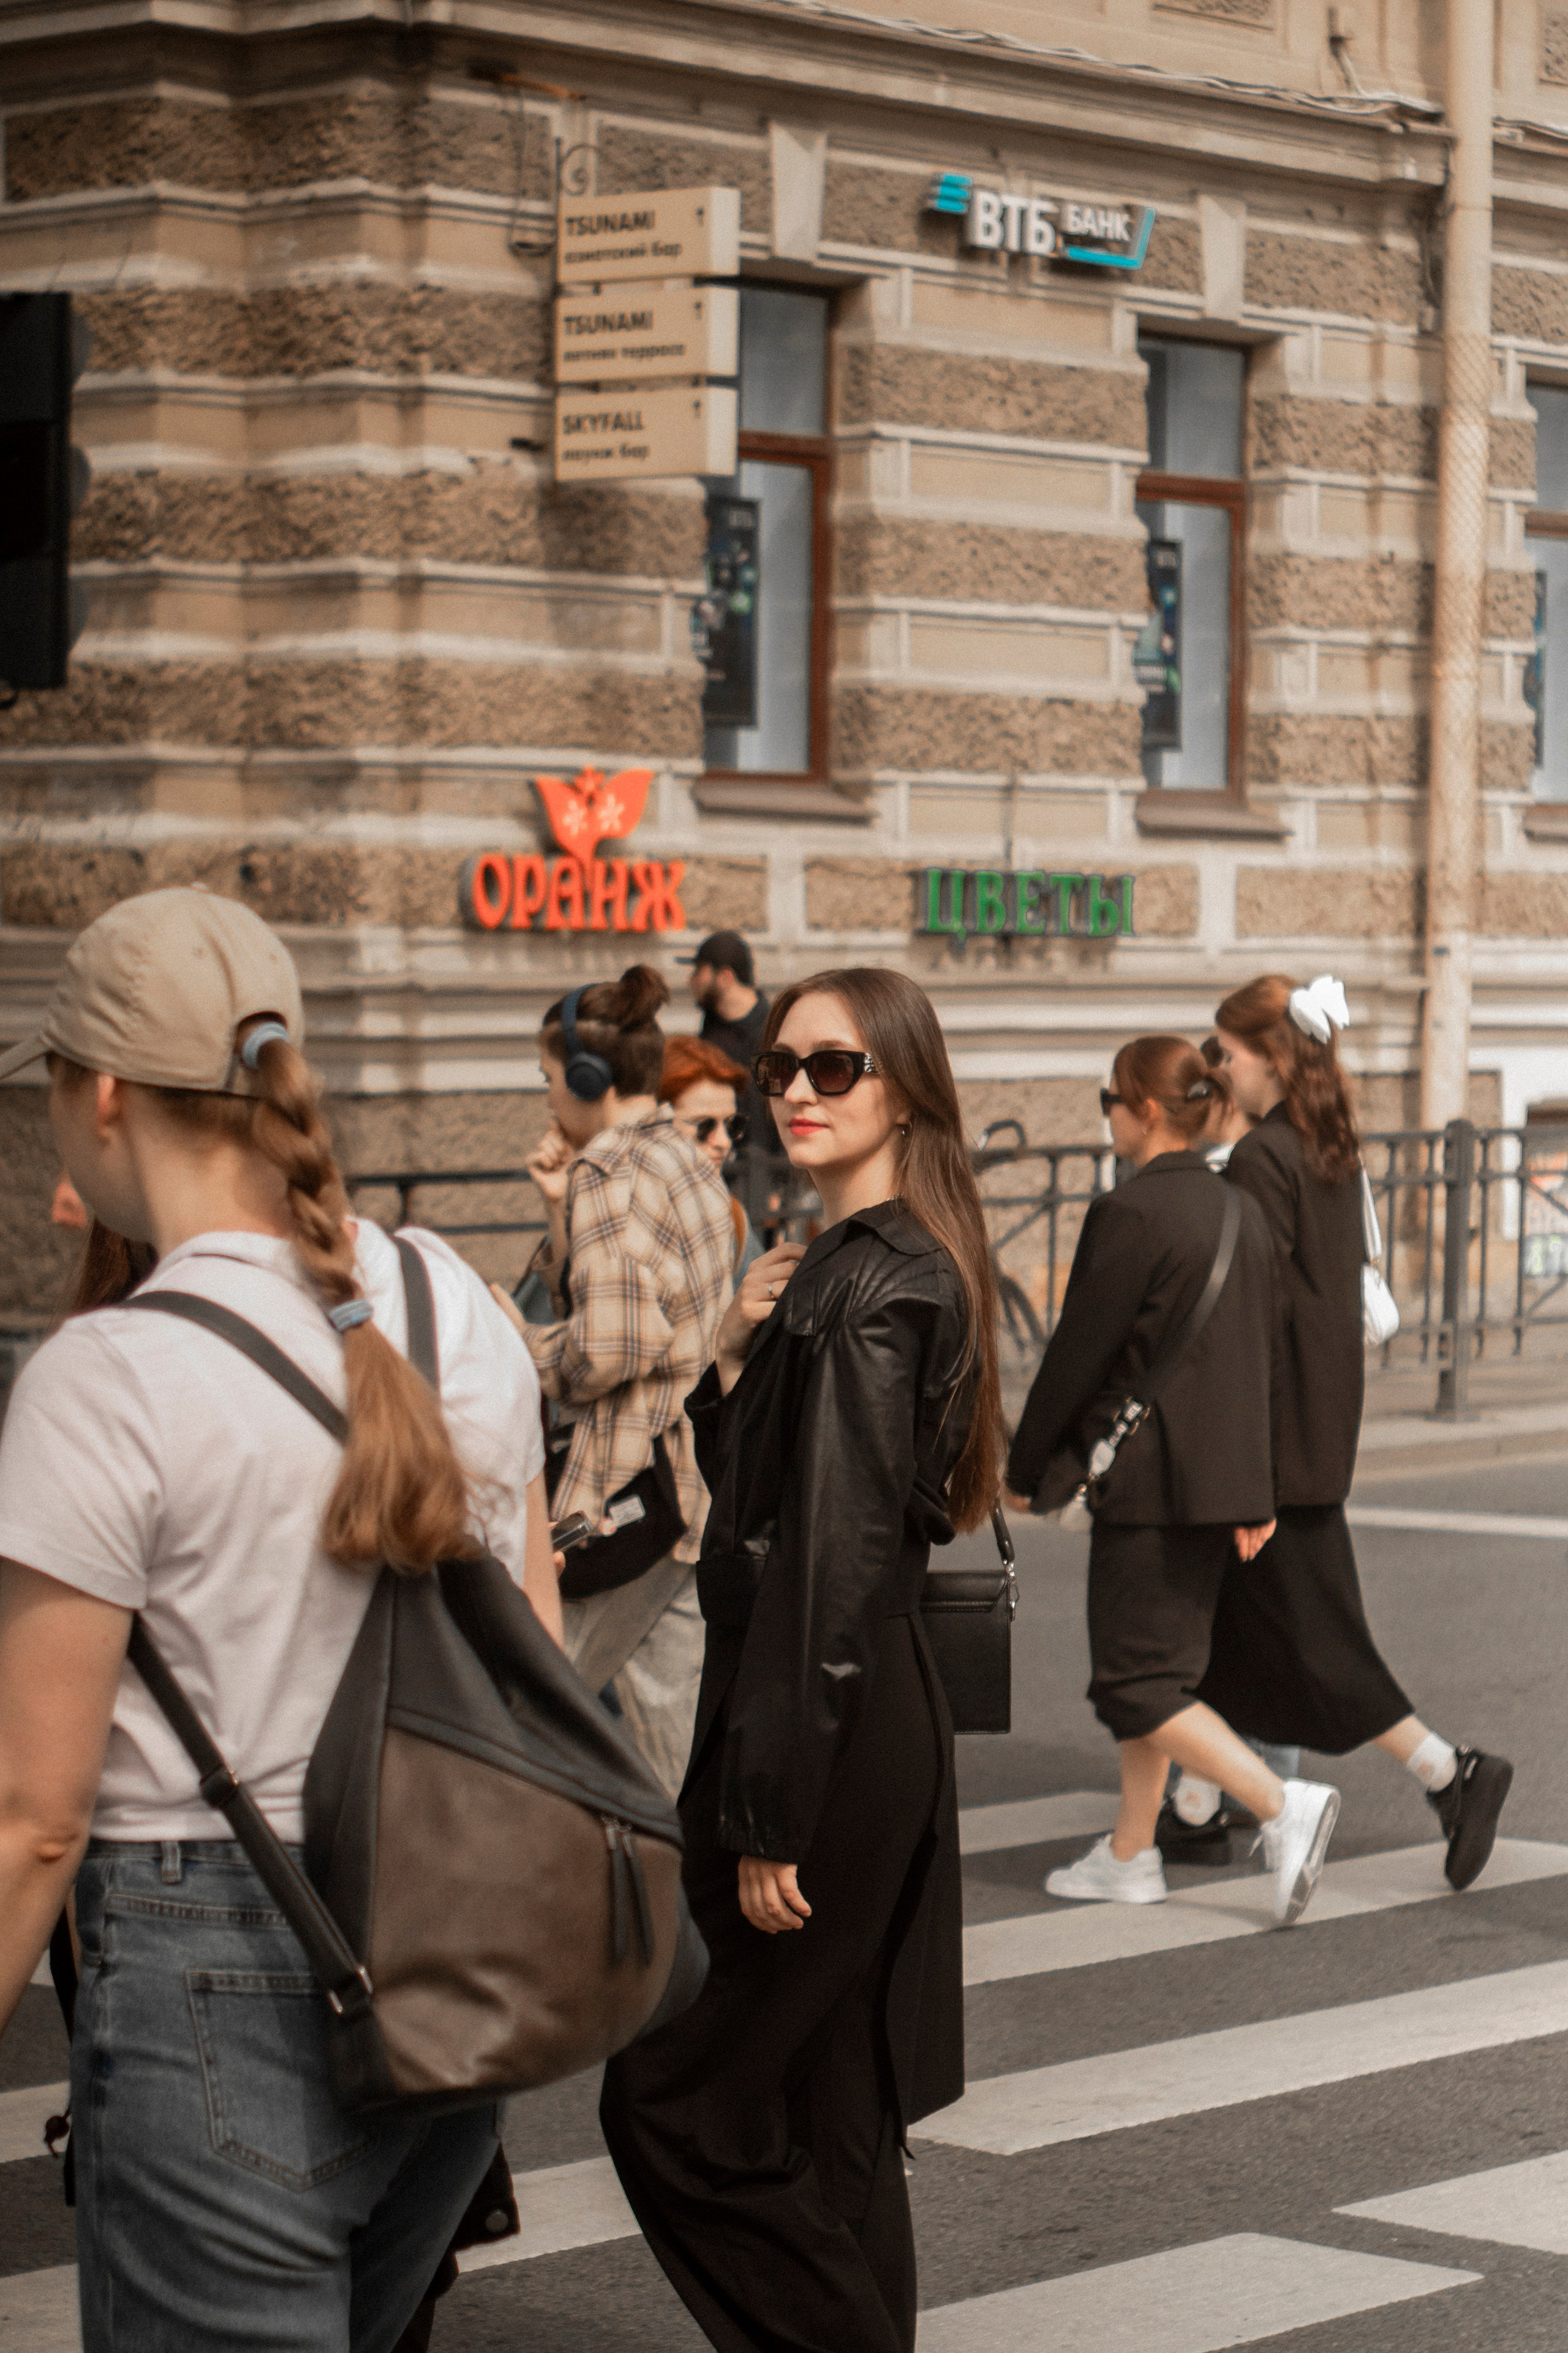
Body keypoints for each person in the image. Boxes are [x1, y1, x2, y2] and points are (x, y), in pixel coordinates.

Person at [0, 885, 559, 2353]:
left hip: (211, 1954)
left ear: (103, 1092)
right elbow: (537, 1651)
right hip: (456, 1949)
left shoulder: (104, 1373)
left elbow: (35, 1817)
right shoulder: (451, 1297)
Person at [601, 965, 1004, 2353]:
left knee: (673, 2096)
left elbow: (828, 1566)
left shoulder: (880, 1283)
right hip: (845, 1714)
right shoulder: (840, 1263)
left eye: (831, 1067)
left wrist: (770, 1805)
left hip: (821, 1726)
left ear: (903, 1083)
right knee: (832, 2106)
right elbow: (753, 1494)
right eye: (780, 1066)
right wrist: (733, 1353)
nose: (793, 1090)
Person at [1185, 973, 1513, 1891]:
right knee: (1233, 1627)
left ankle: (1451, 1772)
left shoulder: (1261, 1158)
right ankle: (1196, 1804)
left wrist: (1244, 1469)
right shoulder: (1326, 1148)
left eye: (1231, 1054)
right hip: (1319, 1432)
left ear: (1274, 1057)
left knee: (1321, 1644)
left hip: (1276, 1448)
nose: (1224, 1071)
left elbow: (1256, 1321)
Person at [1004, 1035, 1342, 1926]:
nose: (1106, 1113)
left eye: (1108, 1097)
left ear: (1146, 1109)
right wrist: (1258, 1491)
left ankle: (1280, 1805)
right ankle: (1130, 1851)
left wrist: (1023, 1468)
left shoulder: (1132, 1214)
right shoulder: (1239, 1209)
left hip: (1148, 1486)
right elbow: (1267, 1364)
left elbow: (1076, 1359)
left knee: (1134, 1686)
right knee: (1159, 1676)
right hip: (1221, 1487)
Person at [500, 966, 734, 1800]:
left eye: (547, 1077)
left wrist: (519, 1341)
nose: (546, 1095)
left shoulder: (610, 1169)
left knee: (519, 1721)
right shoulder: (684, 1156)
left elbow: (613, 1341)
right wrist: (559, 1215)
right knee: (668, 1756)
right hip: (689, 1489)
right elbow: (647, 1300)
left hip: (623, 1490)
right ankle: (673, 1917)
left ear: (587, 1077)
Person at [659, 1034, 764, 1281]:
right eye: (704, 1126)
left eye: (731, 1125)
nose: (724, 1142)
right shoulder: (611, 1206)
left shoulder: (732, 1217)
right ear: (656, 1120)